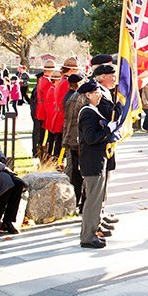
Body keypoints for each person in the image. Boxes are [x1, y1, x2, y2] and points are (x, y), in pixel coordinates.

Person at [77, 80, 118, 249]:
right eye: (96, 93)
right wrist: (109, 129)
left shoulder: (93, 111)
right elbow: (91, 137)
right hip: (92, 161)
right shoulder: (87, 112)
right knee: (93, 201)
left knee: (96, 199)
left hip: (97, 159)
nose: (99, 95)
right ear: (88, 95)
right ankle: (88, 236)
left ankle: (93, 230)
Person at [62, 74, 85, 212]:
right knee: (75, 173)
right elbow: (71, 123)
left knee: (76, 173)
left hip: (73, 140)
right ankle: (74, 202)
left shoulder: (73, 96)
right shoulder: (74, 98)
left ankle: (76, 201)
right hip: (75, 141)